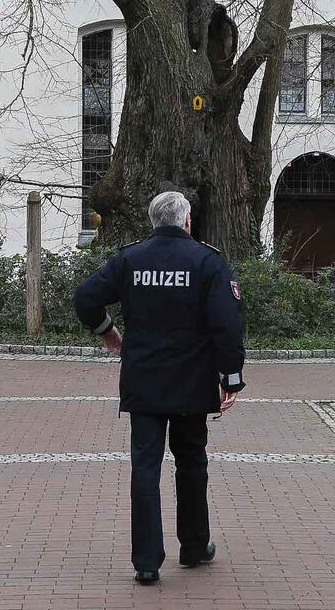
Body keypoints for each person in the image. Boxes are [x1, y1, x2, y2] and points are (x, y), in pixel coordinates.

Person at [73, 190, 246, 587]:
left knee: (145, 468)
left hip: (144, 382)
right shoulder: (207, 261)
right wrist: (230, 377)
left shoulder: (131, 259)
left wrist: (108, 332)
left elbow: (85, 298)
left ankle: (147, 562)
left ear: (154, 221)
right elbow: (226, 323)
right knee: (192, 464)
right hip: (191, 382)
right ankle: (194, 546)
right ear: (187, 221)